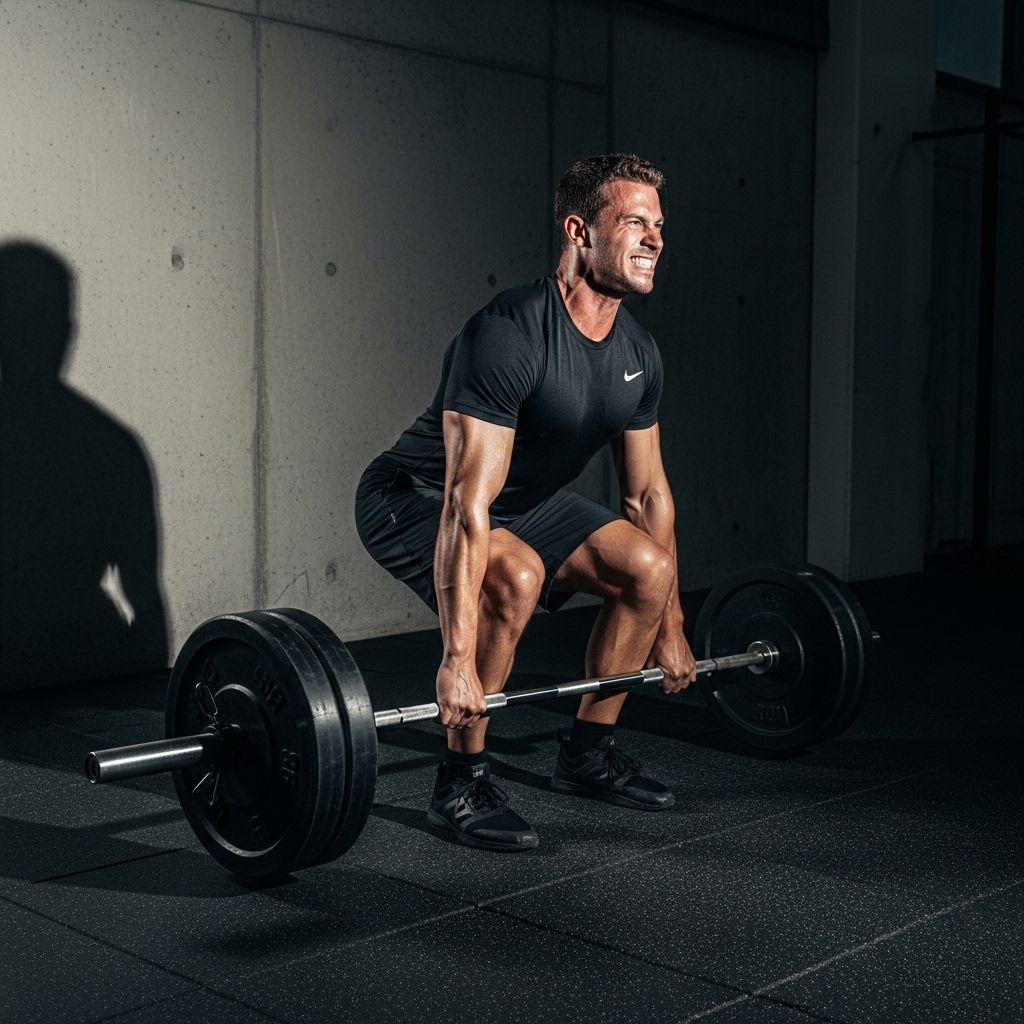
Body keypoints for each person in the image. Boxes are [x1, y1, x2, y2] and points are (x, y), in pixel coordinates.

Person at [355, 153, 696, 851]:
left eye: (658, 225)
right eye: (635, 222)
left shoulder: (638, 351)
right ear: (579, 230)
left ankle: (588, 755)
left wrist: (672, 624)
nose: (655, 238)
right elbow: (463, 505)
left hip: (524, 503)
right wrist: (454, 658)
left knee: (649, 573)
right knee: (511, 576)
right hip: (415, 498)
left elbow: (648, 493)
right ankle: (460, 781)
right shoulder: (510, 331)